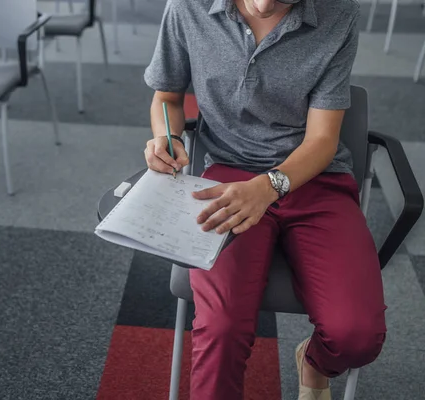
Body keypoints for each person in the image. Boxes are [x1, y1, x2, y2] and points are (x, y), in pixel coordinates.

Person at [142, 0, 387, 399]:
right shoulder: (188, 7)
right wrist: (166, 138)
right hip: (229, 174)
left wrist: (268, 186)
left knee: (356, 336)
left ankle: (313, 363)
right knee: (221, 329)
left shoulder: (337, 14)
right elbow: (167, 98)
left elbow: (322, 140)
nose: (267, 5)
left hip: (314, 177)